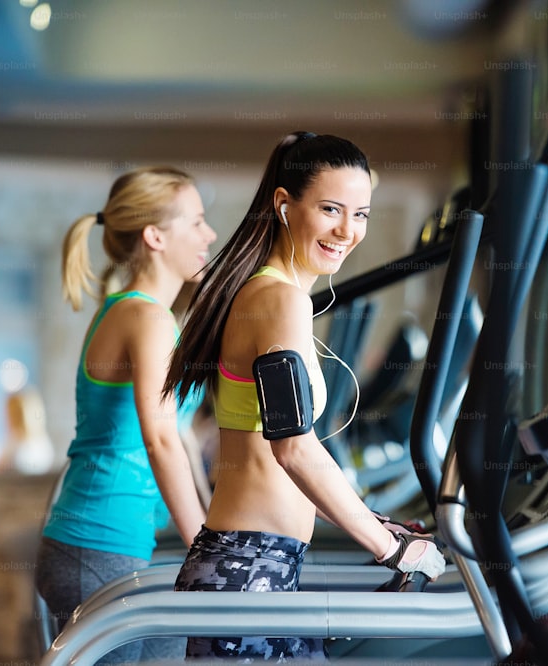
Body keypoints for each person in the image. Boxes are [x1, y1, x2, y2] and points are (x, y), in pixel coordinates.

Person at [164, 132, 446, 661]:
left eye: (361, 214)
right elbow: (293, 448)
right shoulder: (277, 300)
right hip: (247, 569)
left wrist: (376, 524)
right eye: (331, 209)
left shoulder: (271, 292)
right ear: (284, 205)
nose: (348, 230)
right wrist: (390, 549)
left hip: (260, 564)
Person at [35, 166, 217, 663]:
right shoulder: (145, 316)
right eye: (197, 222)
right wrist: (205, 549)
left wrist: (210, 530)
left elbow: (176, 435)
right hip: (97, 544)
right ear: (155, 235)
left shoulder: (145, 313)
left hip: (109, 544)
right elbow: (158, 439)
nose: (210, 235)